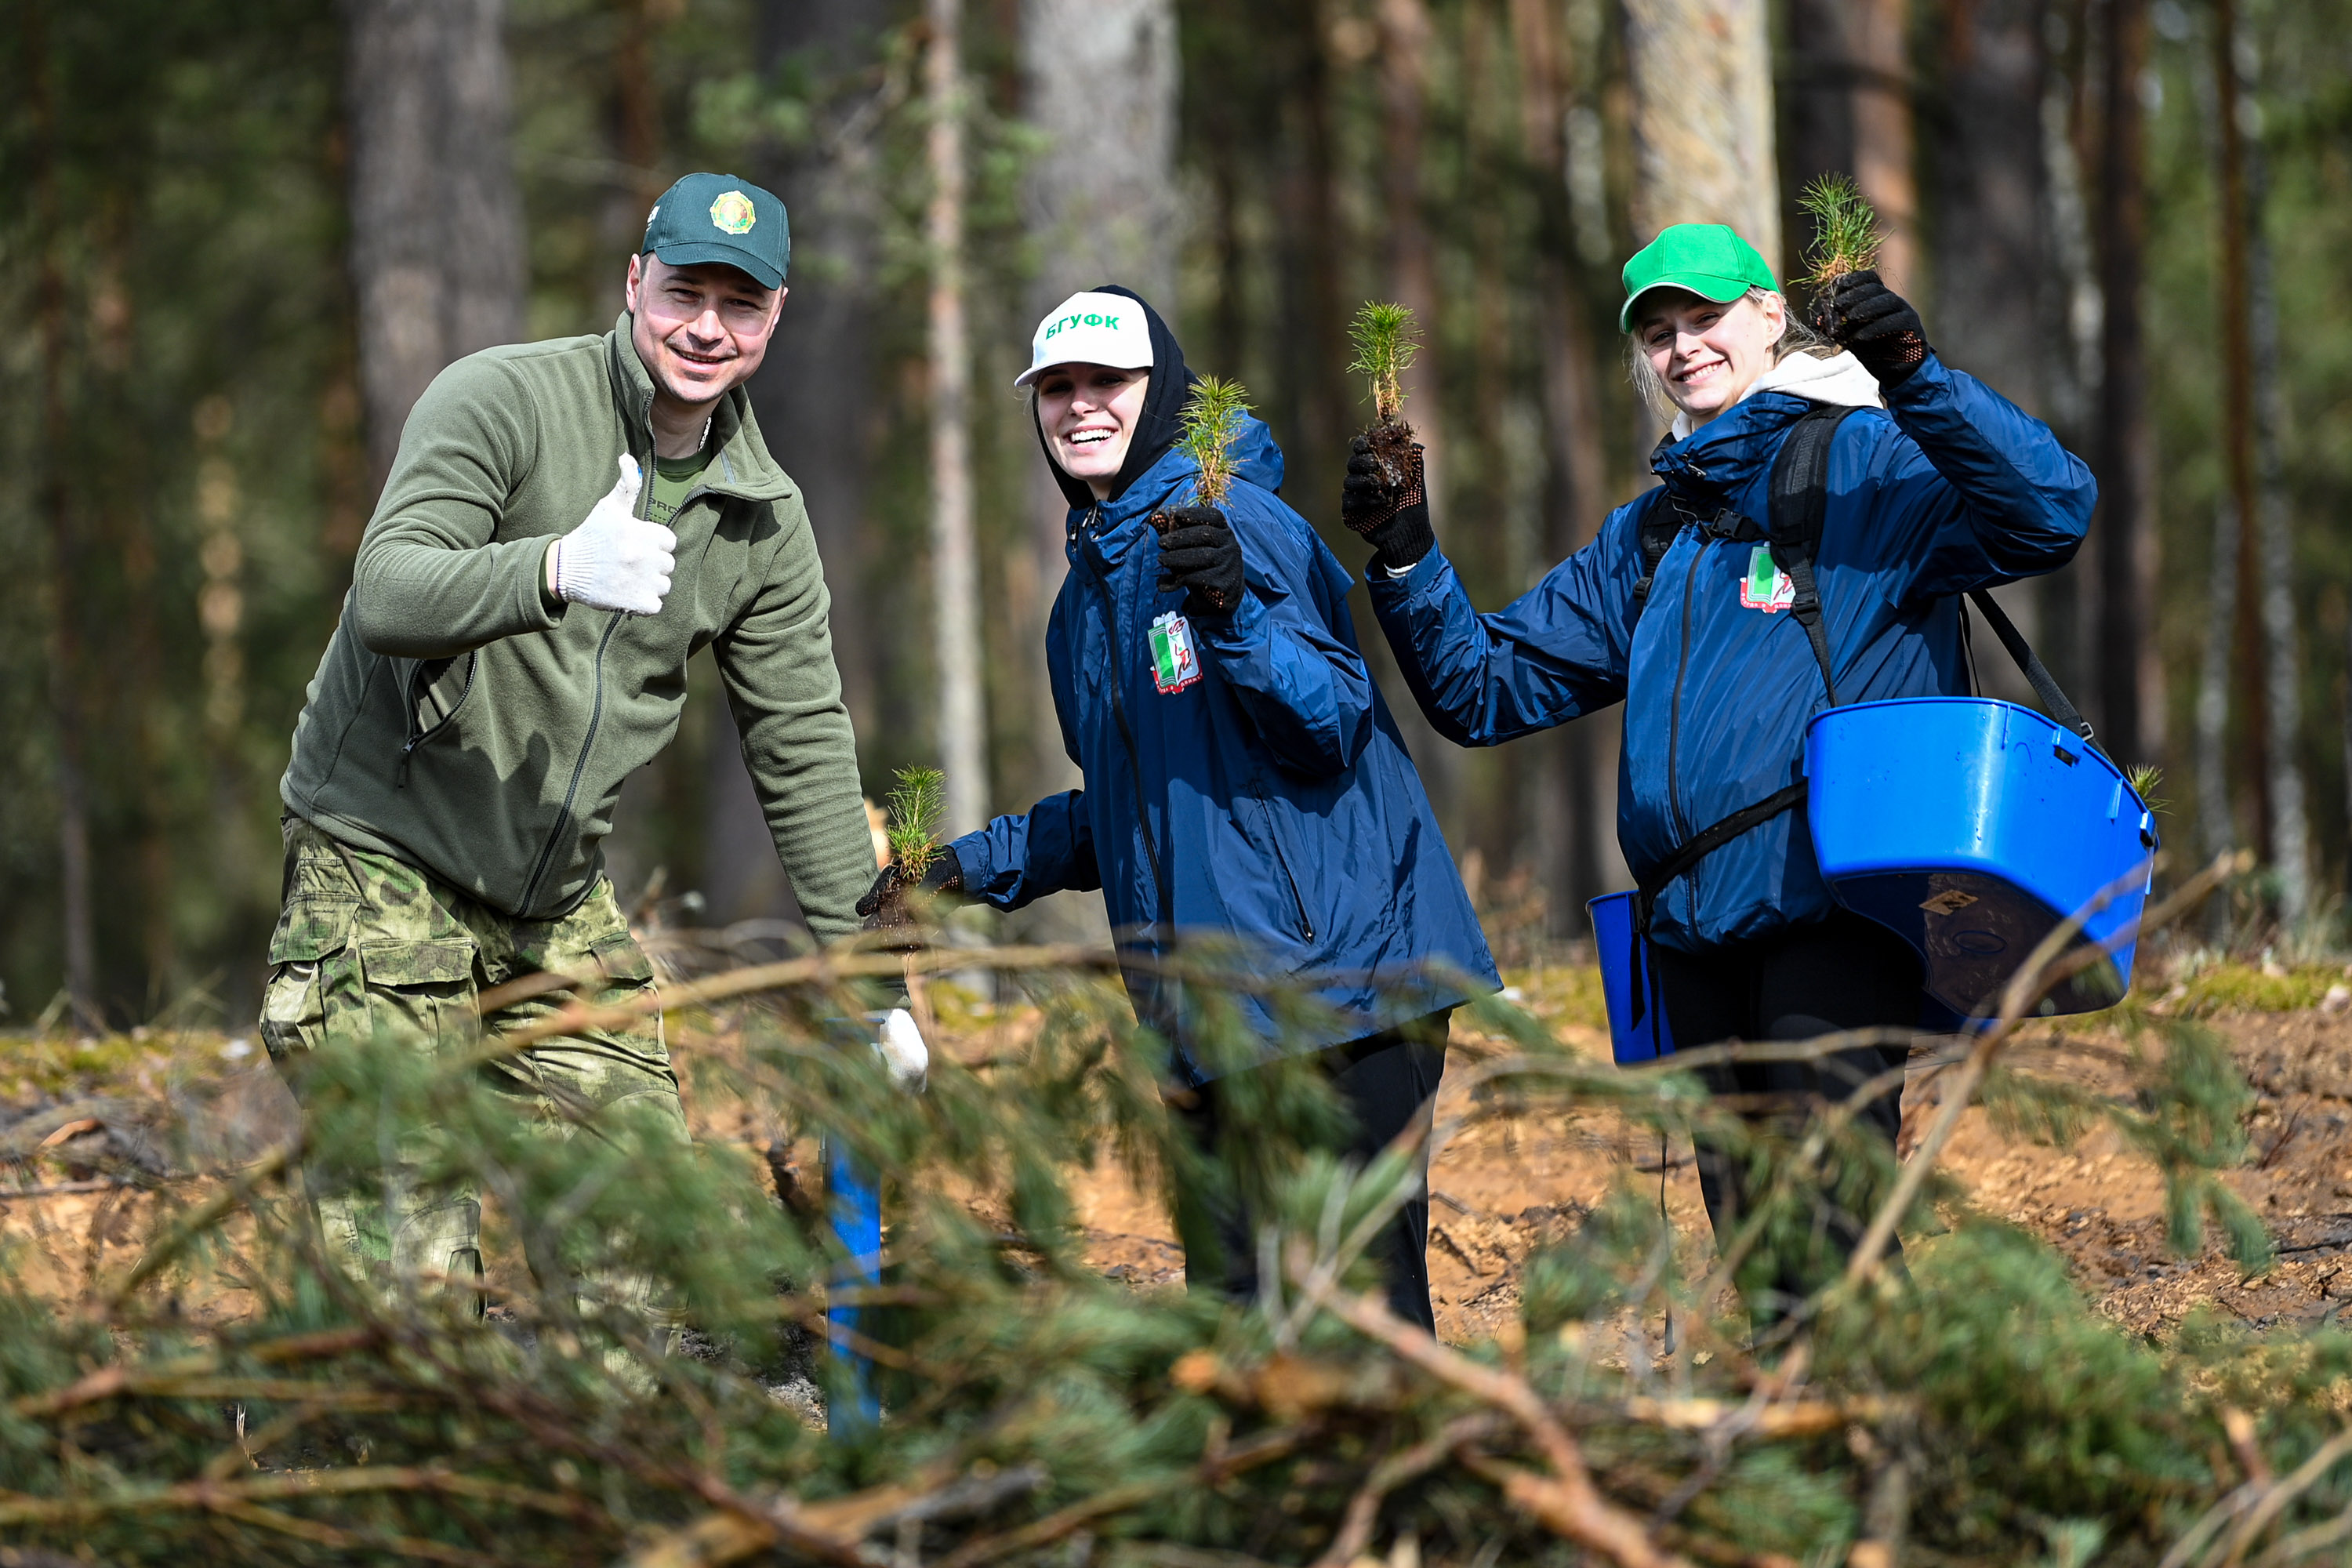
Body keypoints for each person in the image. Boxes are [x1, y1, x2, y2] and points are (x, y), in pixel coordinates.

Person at [1339, 224, 2095, 1318]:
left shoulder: (1863, 458)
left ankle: (1892, 1422)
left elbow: (2050, 510)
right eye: (1658, 332)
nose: (1682, 346)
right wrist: (1408, 555)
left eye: (1705, 317)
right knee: (1755, 1242)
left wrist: (1914, 374)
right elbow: (1484, 691)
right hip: (1688, 934)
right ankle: (1816, 1420)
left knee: (1828, 1230)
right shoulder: (1657, 530)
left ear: (1768, 316)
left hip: (1832, 913)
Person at [263, 172, 915, 1313]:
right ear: (634, 282)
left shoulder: (763, 516)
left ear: (775, 317)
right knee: (409, 1271)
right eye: (684, 293)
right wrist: (556, 568)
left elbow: (803, 741)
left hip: (550, 896)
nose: (706, 328)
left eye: (741, 304)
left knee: (648, 1247)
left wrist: (876, 985)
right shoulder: (504, 398)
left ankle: (607, 1422)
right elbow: (390, 591)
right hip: (382, 857)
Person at [865, 286, 1498, 1330]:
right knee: (1236, 1327)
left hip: (1340, 985)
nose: (1080, 406)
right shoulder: (1081, 605)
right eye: (1057, 388)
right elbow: (1137, 807)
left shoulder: (1242, 521)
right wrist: (973, 866)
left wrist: (1233, 609)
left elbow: (1332, 721)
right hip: (1203, 1017)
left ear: (1161, 393)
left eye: (1107, 381)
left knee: (1362, 1321)